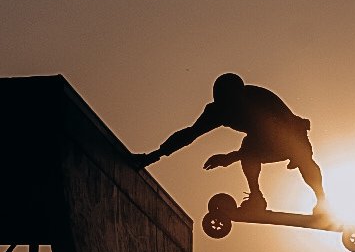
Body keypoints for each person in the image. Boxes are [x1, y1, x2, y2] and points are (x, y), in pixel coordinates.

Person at [134, 74, 327, 213]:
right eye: (227, 105)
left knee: (301, 159)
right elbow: (189, 135)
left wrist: (229, 157)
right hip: (262, 140)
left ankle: (322, 202)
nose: (232, 109)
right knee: (249, 147)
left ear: (242, 97)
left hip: (292, 134)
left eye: (235, 104)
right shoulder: (217, 111)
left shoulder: (258, 103)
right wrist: (152, 156)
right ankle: (256, 197)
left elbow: (276, 135)